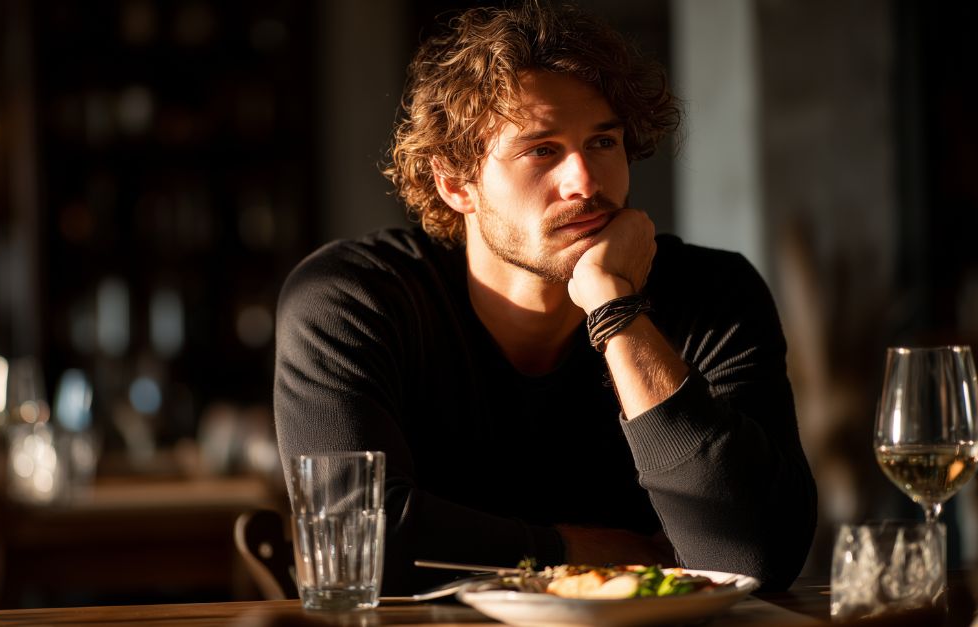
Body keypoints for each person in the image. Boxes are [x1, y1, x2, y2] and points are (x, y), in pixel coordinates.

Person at [274, 1, 816, 595]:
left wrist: (615, 310)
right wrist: (571, 552)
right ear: (454, 182)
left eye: (603, 141)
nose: (585, 182)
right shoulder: (351, 301)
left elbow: (755, 555)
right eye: (542, 150)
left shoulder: (713, 293)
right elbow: (352, 542)